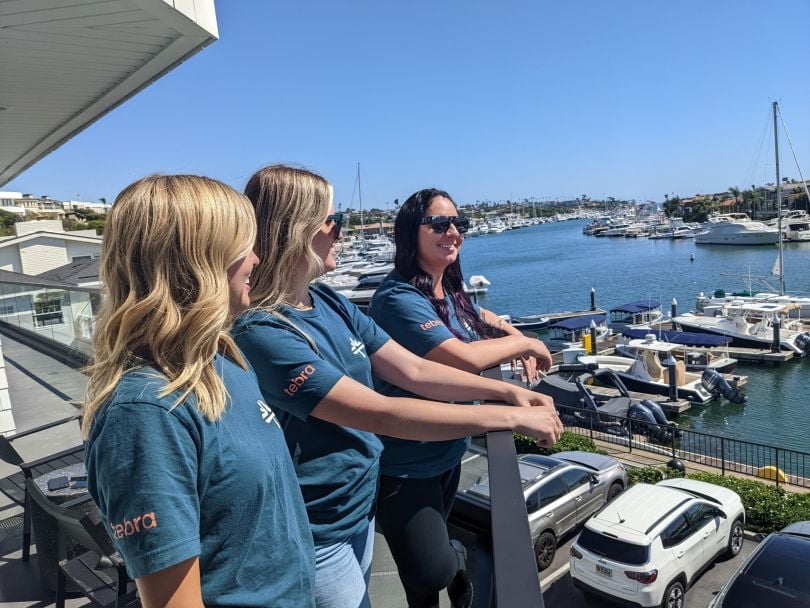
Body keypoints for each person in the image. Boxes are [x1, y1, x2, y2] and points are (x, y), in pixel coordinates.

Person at [232, 164, 562, 608]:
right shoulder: (264, 331)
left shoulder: (327, 299)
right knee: (421, 574)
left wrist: (508, 391)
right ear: (298, 229)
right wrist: (511, 415)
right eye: (335, 221)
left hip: (357, 505)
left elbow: (415, 372)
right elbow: (380, 412)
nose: (342, 233)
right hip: (317, 526)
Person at [83, 175, 315, 607]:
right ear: (199, 263)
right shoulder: (146, 414)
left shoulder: (224, 358)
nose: (257, 260)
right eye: (243, 248)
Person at [367, 187, 554, 607]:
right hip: (406, 462)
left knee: (420, 589)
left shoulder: (447, 291)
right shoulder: (398, 298)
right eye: (439, 223)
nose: (452, 231)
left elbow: (480, 316)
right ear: (409, 232)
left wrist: (513, 333)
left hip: (449, 453)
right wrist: (527, 346)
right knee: (428, 569)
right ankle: (455, 564)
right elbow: (463, 359)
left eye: (458, 224)